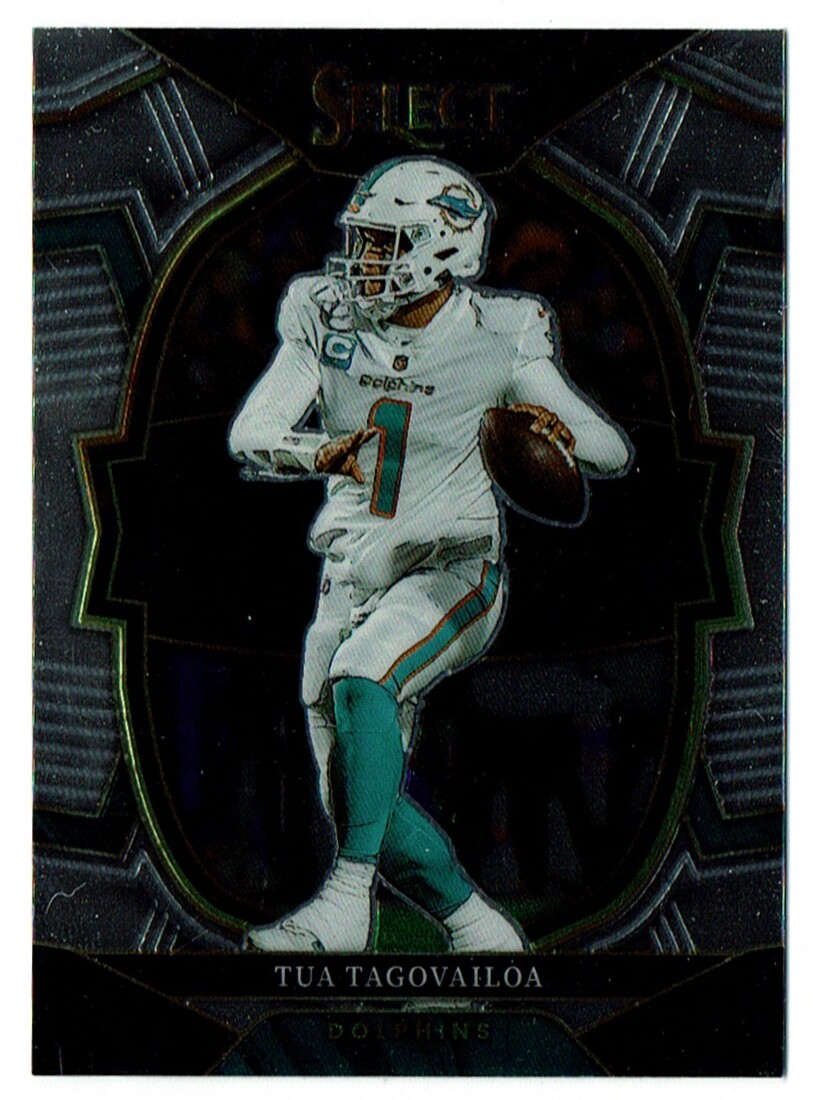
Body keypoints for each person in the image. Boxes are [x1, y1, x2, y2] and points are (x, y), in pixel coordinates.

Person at [228, 157, 631, 953]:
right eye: (363, 240)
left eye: (385, 243)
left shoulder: (498, 332)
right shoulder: (325, 312)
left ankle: (346, 909)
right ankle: (477, 926)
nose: (363, 260)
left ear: (441, 247)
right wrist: (318, 453)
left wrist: (561, 436)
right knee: (354, 791)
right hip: (350, 574)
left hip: (453, 568)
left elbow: (609, 448)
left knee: (360, 679)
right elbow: (251, 432)